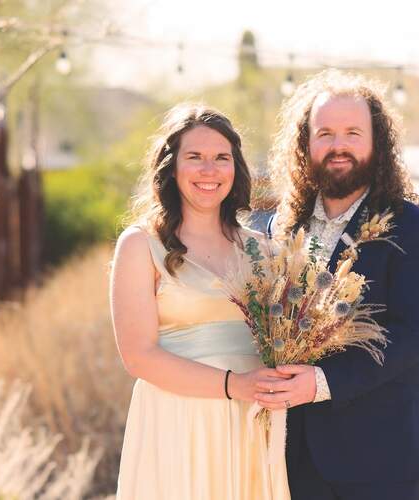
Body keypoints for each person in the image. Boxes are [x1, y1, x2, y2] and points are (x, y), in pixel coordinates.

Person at [255, 70, 419, 500]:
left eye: (352, 132)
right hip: (284, 455)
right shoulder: (275, 230)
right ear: (305, 143)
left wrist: (321, 382)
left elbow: (412, 337)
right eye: (324, 133)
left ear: (377, 142)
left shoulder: (416, 230)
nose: (337, 145)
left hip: (376, 457)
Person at [110, 104, 290, 500]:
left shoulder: (264, 250)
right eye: (195, 158)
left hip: (252, 421)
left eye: (221, 158)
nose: (209, 170)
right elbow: (138, 356)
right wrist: (233, 386)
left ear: (235, 168)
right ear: (171, 169)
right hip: (178, 421)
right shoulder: (141, 245)